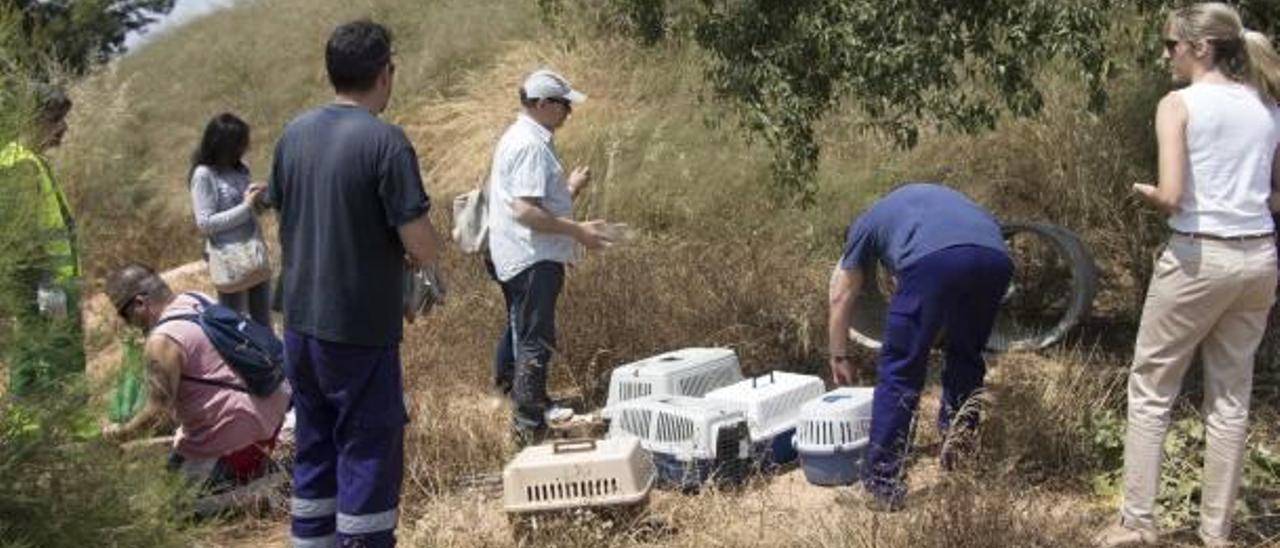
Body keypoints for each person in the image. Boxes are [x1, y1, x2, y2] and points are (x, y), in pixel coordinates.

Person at [1095, 5, 1280, 547]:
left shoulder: (1177, 105)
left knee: (1152, 388)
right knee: (1230, 398)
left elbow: (1173, 196)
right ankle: (1215, 534)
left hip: (1199, 259)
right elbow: (1274, 196)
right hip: (1259, 259)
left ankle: (1137, 523)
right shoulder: (1266, 106)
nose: (1165, 54)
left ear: (1201, 48)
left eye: (1171, 44)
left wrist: (1146, 193)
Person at [268, 20, 442, 548]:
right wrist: (428, 259)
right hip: (358, 326)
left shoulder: (293, 134)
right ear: (385, 73)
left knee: (316, 446)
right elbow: (420, 243)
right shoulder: (385, 142)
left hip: (299, 324)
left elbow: (287, 211)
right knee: (368, 447)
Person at [827, 182, 1012, 511]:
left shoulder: (864, 225)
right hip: (996, 259)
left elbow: (842, 293)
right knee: (966, 358)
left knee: (900, 369)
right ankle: (960, 464)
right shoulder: (917, 205)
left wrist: (838, 355)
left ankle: (880, 487)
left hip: (934, 262)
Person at [486, 68, 616, 445]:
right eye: (563, 105)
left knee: (521, 326)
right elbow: (525, 211)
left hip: (521, 254)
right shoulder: (528, 145)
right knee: (534, 338)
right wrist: (580, 232)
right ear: (542, 104)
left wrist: (569, 188)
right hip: (531, 258)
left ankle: (519, 398)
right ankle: (528, 425)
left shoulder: (525, 138)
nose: (568, 112)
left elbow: (529, 203)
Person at [100, 264, 290, 495]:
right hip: (272, 417)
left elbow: (157, 415)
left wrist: (119, 433)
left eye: (124, 314)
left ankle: (257, 492)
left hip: (239, 442)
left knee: (171, 504)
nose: (127, 323)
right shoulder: (196, 299)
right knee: (177, 454)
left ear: (140, 303)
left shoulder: (162, 341)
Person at [0, 85, 83, 395]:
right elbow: (22, 237)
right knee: (55, 355)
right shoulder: (17, 164)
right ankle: (71, 432)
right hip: (42, 284)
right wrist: (48, 284)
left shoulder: (30, 160)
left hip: (49, 281)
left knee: (34, 350)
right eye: (56, 120)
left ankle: (33, 428)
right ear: (33, 120)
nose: (64, 127)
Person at [189, 112, 272, 328]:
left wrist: (263, 196)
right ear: (224, 145)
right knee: (233, 326)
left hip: (254, 255)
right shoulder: (204, 175)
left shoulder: (240, 168)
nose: (247, 147)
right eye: (241, 143)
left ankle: (273, 361)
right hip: (230, 261)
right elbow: (205, 224)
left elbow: (255, 210)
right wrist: (245, 207)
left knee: (264, 323)